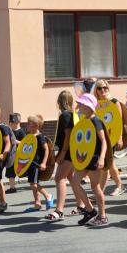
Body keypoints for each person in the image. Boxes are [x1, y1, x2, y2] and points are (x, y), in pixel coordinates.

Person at [44, 90, 85, 222]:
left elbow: (68, 135)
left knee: (59, 178)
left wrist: (62, 153)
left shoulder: (65, 115)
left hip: (68, 152)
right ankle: (81, 206)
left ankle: (59, 210)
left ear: (59, 102)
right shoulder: (72, 114)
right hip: (72, 151)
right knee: (71, 178)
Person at [69, 93, 109, 226]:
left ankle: (102, 216)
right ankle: (90, 210)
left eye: (81, 104)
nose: (79, 107)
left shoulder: (95, 121)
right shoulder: (84, 121)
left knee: (95, 186)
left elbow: (104, 141)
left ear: (88, 106)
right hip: (84, 158)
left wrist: (102, 158)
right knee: (75, 181)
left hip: (95, 158)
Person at [93, 80, 126, 196]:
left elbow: (119, 121)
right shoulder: (96, 103)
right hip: (100, 138)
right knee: (108, 165)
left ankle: (104, 191)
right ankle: (114, 187)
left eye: (105, 87)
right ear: (96, 90)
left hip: (111, 137)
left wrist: (120, 138)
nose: (102, 90)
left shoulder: (114, 102)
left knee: (108, 164)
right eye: (99, 88)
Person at [23, 114, 53, 211]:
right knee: (33, 183)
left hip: (36, 164)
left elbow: (46, 149)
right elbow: (24, 146)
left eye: (29, 123)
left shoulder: (40, 137)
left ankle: (47, 196)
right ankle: (37, 203)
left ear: (36, 125)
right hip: (30, 163)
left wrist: (44, 162)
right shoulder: (30, 136)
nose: (27, 125)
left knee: (33, 183)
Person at [6, 112, 25, 194]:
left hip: (19, 155)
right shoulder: (10, 131)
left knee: (23, 170)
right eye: (11, 123)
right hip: (11, 155)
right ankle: (12, 187)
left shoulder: (21, 132)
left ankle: (33, 184)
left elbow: (25, 144)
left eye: (13, 122)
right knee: (10, 172)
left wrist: (16, 141)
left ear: (18, 122)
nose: (12, 124)